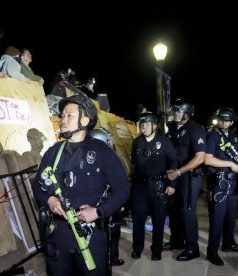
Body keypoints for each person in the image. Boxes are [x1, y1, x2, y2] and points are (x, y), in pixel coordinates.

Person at [32, 94, 129, 275]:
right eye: (62, 115)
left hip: (89, 233)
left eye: (69, 115)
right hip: (57, 233)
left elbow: (122, 190)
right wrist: (49, 200)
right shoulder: (53, 153)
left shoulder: (102, 152)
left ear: (85, 119)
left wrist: (98, 212)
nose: (63, 120)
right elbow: (37, 187)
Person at [204, 107, 238, 266]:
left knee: (230, 217)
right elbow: (207, 160)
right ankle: (212, 252)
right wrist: (230, 164)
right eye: (221, 119)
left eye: (226, 120)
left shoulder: (234, 135)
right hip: (218, 183)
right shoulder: (213, 135)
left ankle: (229, 244)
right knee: (217, 219)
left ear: (232, 121)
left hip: (233, 182)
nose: (223, 122)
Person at [130, 112, 177, 261]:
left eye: (146, 124)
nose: (143, 127)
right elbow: (134, 163)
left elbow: (173, 162)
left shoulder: (164, 141)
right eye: (141, 124)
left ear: (154, 126)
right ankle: (137, 249)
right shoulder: (137, 142)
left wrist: (172, 184)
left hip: (159, 185)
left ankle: (156, 250)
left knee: (159, 220)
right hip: (140, 187)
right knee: (138, 219)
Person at [164, 98, 206, 261]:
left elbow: (200, 157)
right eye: (174, 110)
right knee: (174, 209)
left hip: (188, 176)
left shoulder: (195, 129)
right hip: (175, 173)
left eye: (178, 111)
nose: (175, 113)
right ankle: (176, 242)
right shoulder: (173, 127)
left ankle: (192, 247)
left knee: (187, 211)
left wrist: (179, 172)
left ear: (187, 114)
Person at [88, 127, 125, 267]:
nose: (111, 144)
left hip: (105, 201)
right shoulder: (107, 158)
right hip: (102, 203)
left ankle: (112, 258)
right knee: (106, 233)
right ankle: (107, 260)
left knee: (112, 230)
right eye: (108, 141)